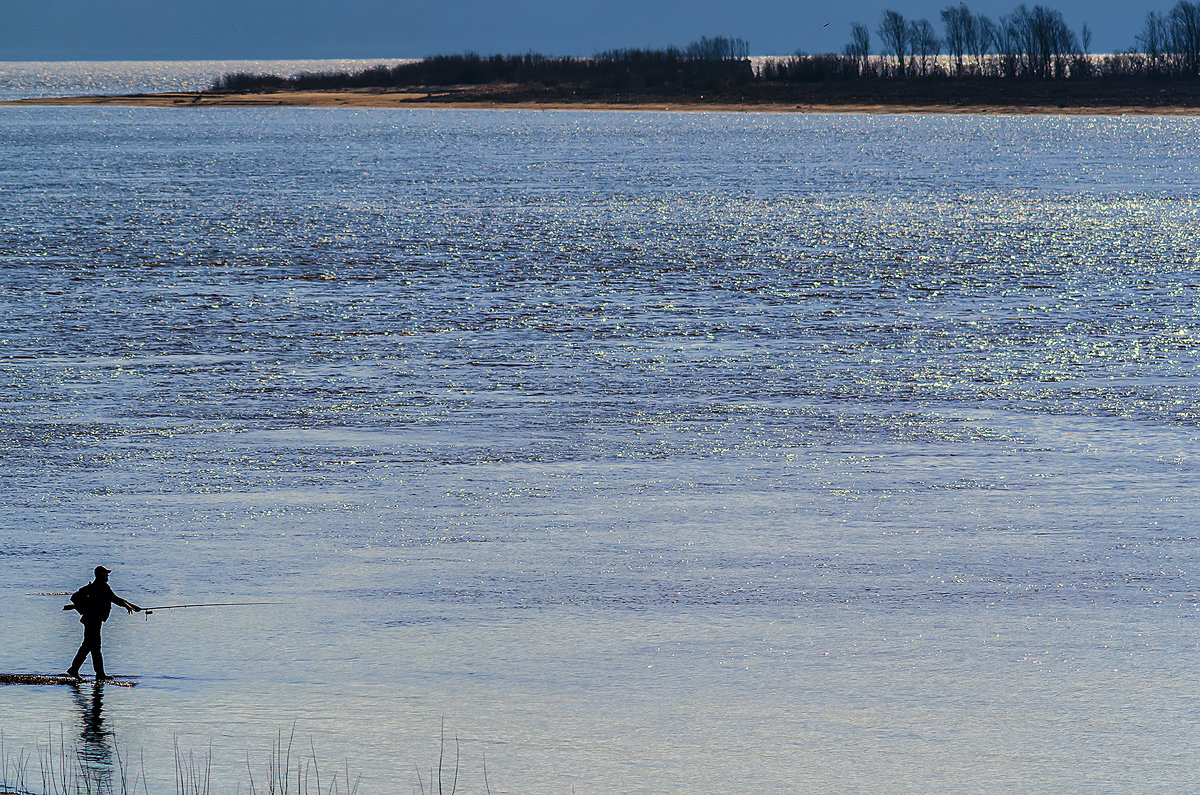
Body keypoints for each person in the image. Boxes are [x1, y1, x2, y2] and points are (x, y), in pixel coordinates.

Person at [65, 566, 142, 680]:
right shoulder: (101, 587)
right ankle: (95, 673)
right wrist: (128, 606)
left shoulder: (96, 586)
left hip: (91, 620)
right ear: (100, 574)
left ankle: (77, 669)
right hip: (93, 620)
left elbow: (114, 598)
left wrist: (131, 605)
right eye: (106, 573)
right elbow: (115, 599)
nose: (108, 576)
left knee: (89, 646)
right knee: (94, 647)